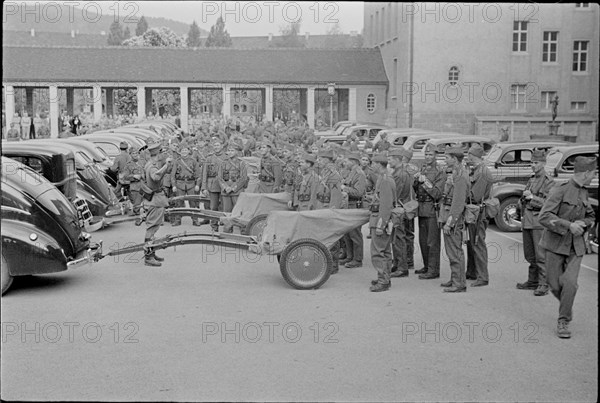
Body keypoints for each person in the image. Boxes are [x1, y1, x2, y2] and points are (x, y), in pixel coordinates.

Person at [539, 156, 596, 339]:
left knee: (570, 283)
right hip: (555, 245)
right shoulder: (559, 190)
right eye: (593, 173)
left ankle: (563, 321)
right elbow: (544, 216)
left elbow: (590, 216)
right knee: (554, 285)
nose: (594, 175)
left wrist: (584, 223)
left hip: (576, 246)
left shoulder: (584, 192)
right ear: (586, 173)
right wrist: (568, 225)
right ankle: (567, 307)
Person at [516, 149, 556, 296]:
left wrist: (532, 197)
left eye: (536, 162)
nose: (533, 165)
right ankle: (532, 281)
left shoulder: (548, 181)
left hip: (538, 222)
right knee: (530, 254)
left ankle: (544, 284)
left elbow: (549, 204)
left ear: (544, 163)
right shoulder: (532, 179)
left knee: (541, 256)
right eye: (532, 162)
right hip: (527, 221)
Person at [440, 146, 470, 293]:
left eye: (447, 157)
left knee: (455, 251)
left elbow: (458, 203)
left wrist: (450, 223)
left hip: (454, 220)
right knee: (451, 251)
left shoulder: (461, 176)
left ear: (454, 159)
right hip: (448, 215)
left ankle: (459, 283)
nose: (445, 160)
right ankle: (455, 278)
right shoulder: (456, 174)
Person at [414, 143, 446, 280]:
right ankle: (427, 266)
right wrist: (416, 181)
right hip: (422, 208)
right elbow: (416, 189)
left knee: (432, 242)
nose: (428, 157)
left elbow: (438, 193)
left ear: (436, 156)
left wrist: (425, 181)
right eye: (426, 154)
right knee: (422, 240)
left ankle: (433, 270)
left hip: (432, 209)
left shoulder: (440, 171)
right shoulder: (423, 168)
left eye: (430, 155)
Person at [465, 144, 495, 287]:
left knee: (478, 243)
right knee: (471, 242)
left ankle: (482, 276)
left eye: (469, 154)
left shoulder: (482, 172)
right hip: (474, 212)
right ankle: (472, 271)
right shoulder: (477, 170)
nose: (467, 157)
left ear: (472, 155)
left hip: (478, 212)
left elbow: (475, 196)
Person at [369, 153, 397, 292]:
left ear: (379, 164)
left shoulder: (385, 180)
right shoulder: (383, 178)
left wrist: (381, 225)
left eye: (373, 163)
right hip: (379, 217)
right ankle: (385, 278)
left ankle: (383, 280)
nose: (371, 165)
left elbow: (386, 206)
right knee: (385, 252)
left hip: (380, 220)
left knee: (378, 252)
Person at [143, 142, 173, 267]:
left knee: (154, 228)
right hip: (155, 200)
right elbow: (155, 177)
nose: (163, 154)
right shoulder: (152, 166)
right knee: (152, 228)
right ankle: (148, 256)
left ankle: (152, 251)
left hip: (155, 199)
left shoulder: (151, 164)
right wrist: (166, 166)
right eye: (161, 152)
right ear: (158, 153)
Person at [316, 149, 344, 274]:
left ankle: (333, 264)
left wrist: (332, 211)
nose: (319, 161)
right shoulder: (325, 172)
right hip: (322, 206)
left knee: (332, 236)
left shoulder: (333, 175)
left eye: (321, 159)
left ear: (327, 160)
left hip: (329, 208)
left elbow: (336, 196)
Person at [388, 148, 413, 278]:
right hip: (402, 208)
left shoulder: (399, 174)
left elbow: (395, 194)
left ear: (397, 159)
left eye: (390, 159)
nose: (389, 161)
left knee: (398, 238)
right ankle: (398, 264)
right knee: (397, 237)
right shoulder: (401, 172)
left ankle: (402, 267)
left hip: (398, 209)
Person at [340, 152, 367, 268]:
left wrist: (345, 188)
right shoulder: (352, 172)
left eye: (348, 161)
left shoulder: (359, 174)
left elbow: (359, 192)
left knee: (355, 233)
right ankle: (350, 256)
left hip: (355, 204)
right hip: (348, 205)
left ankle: (357, 259)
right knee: (348, 233)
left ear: (354, 162)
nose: (346, 163)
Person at [218, 143, 249, 233]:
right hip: (226, 191)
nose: (230, 152)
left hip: (237, 190)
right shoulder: (223, 163)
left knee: (239, 211)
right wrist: (225, 187)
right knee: (226, 211)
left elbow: (243, 178)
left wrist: (233, 188)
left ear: (237, 152)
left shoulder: (241, 163)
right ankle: (227, 229)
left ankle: (242, 229)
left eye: (232, 150)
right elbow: (220, 177)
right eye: (229, 150)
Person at [170, 145, 202, 226]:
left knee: (193, 203)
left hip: (191, 184)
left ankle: (195, 220)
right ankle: (178, 220)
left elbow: (198, 175)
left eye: (185, 150)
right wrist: (173, 185)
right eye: (182, 150)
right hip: (179, 184)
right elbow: (173, 175)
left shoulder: (193, 161)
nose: (184, 152)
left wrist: (197, 185)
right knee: (178, 203)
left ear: (189, 151)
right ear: (180, 152)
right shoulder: (177, 161)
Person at [202, 139, 225, 231]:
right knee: (213, 207)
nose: (216, 147)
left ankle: (226, 227)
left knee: (225, 207)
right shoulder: (209, 158)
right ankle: (214, 226)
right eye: (214, 145)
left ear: (222, 146)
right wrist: (204, 187)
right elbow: (204, 173)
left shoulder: (226, 157)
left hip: (224, 185)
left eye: (218, 145)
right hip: (212, 185)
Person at [122, 149, 146, 217]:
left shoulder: (142, 162)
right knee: (137, 205)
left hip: (143, 185)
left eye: (136, 153)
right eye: (133, 153)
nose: (135, 155)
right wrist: (134, 176)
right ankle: (137, 217)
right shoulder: (128, 165)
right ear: (130, 155)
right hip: (135, 187)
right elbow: (125, 176)